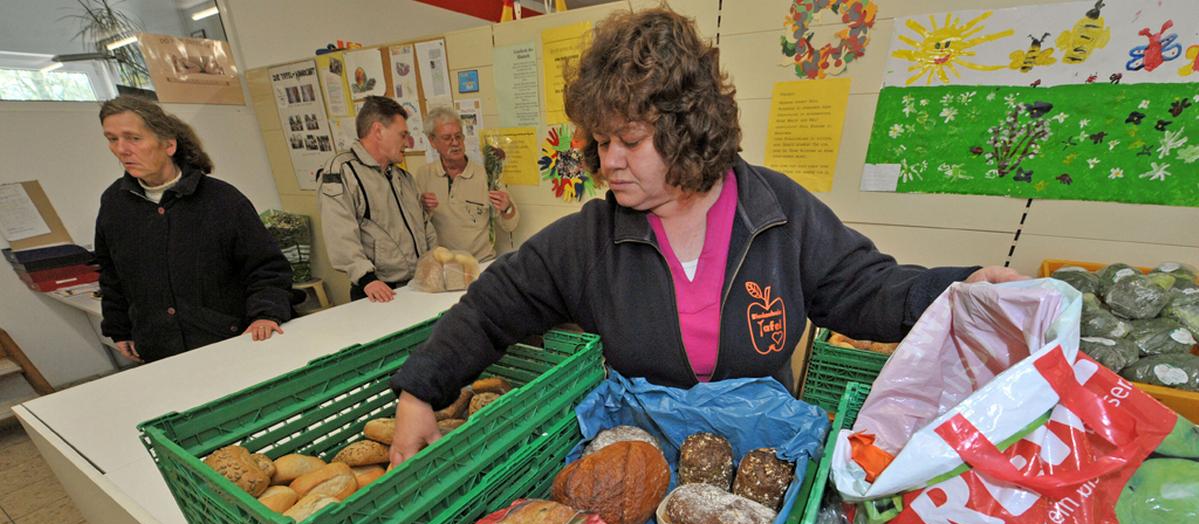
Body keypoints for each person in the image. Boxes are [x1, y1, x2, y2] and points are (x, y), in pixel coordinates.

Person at [385, 8, 1023, 465]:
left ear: (687, 128)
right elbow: (494, 306)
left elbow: (867, 287)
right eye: (601, 141)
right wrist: (420, 391)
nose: (608, 161)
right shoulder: (590, 240)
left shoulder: (778, 214)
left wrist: (958, 288)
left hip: (760, 460)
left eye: (630, 141)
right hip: (642, 460)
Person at [95, 96, 293, 364]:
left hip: (231, 343)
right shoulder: (115, 204)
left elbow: (267, 268)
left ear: (168, 145)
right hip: (160, 350)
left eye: (133, 138)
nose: (121, 149)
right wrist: (119, 328)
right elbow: (112, 276)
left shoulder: (222, 200)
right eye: (112, 139)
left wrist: (266, 314)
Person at [319, 96, 436, 302]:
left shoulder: (403, 178)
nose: (407, 143)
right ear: (378, 131)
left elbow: (424, 225)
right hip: (378, 291)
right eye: (402, 135)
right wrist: (366, 278)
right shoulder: (342, 172)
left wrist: (434, 262)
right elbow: (339, 232)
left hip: (416, 286)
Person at [414, 107, 518, 261]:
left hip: (480, 265)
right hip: (443, 266)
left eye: (458, 136)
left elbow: (510, 225)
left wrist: (507, 208)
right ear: (432, 141)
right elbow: (417, 225)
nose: (455, 143)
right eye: (447, 138)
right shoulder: (424, 174)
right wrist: (423, 208)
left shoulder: (486, 175)